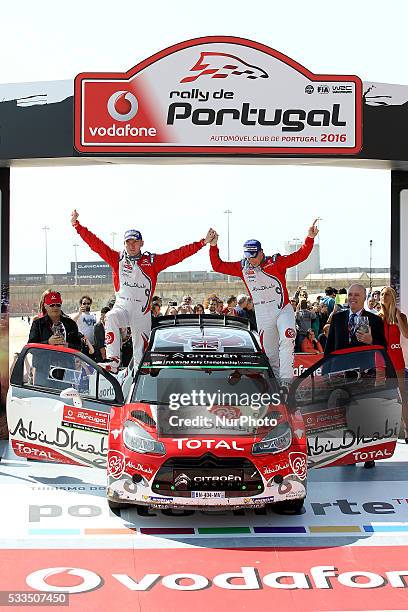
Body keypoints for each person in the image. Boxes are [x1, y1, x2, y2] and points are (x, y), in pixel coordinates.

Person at [71, 209, 214, 372]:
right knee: (110, 317)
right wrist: (77, 226)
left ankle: (137, 383)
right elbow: (95, 244)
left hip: (142, 313)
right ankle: (114, 361)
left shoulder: (152, 261)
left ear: (141, 243)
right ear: (124, 244)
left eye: (135, 242)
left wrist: (202, 242)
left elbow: (178, 254)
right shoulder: (116, 258)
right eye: (128, 242)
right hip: (122, 308)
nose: (131, 245)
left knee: (141, 363)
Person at [210, 220, 318, 384]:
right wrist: (213, 246)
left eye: (253, 257)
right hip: (263, 314)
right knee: (270, 354)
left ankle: (287, 383)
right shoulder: (242, 267)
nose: (251, 261)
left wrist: (309, 238)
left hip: (282, 308)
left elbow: (300, 256)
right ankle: (279, 388)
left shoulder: (276, 261)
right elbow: (217, 266)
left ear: (261, 253)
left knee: (288, 338)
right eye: (248, 257)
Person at [324, 283, 387, 470]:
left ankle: (368, 454)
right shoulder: (337, 318)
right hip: (343, 374)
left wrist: (371, 341)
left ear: (364, 297)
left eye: (356, 295)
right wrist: (325, 371)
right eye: (350, 294)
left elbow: (383, 346)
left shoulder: (374, 320)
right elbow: (330, 348)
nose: (352, 297)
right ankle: (350, 453)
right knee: (345, 415)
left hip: (366, 374)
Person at [379, 286, 408, 441]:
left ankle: (407, 429)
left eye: (387, 294)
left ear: (393, 297)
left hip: (397, 361)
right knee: (382, 397)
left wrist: (397, 318)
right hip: (382, 362)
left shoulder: (401, 316)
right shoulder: (377, 317)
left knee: (402, 395)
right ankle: (386, 432)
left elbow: (406, 334)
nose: (384, 296)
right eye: (382, 294)